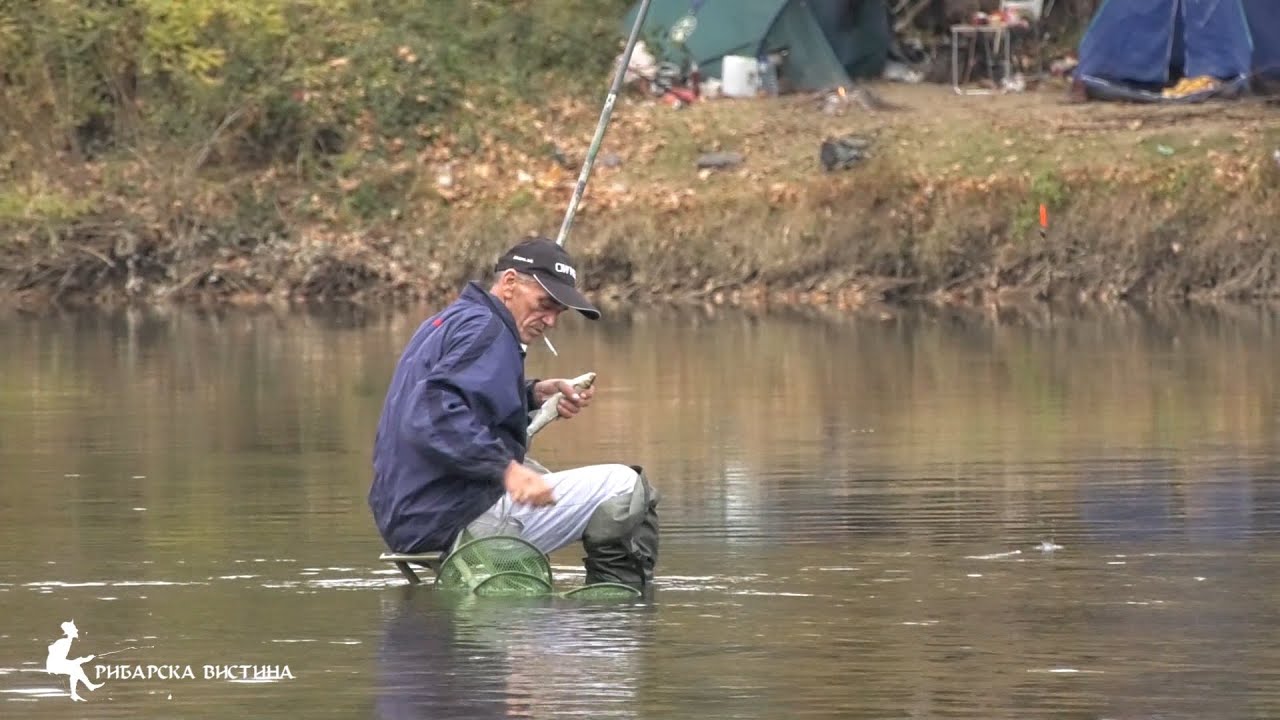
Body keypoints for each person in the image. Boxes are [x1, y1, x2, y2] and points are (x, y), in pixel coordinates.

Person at [368, 237, 658, 590]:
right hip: (453, 516)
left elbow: (453, 398)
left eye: (558, 312)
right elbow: (431, 413)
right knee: (627, 486)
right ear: (509, 283)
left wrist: (533, 393)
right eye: (544, 304)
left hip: (411, 518)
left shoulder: (449, 321)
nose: (550, 320)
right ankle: (615, 614)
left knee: (537, 472)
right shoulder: (488, 331)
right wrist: (505, 470)